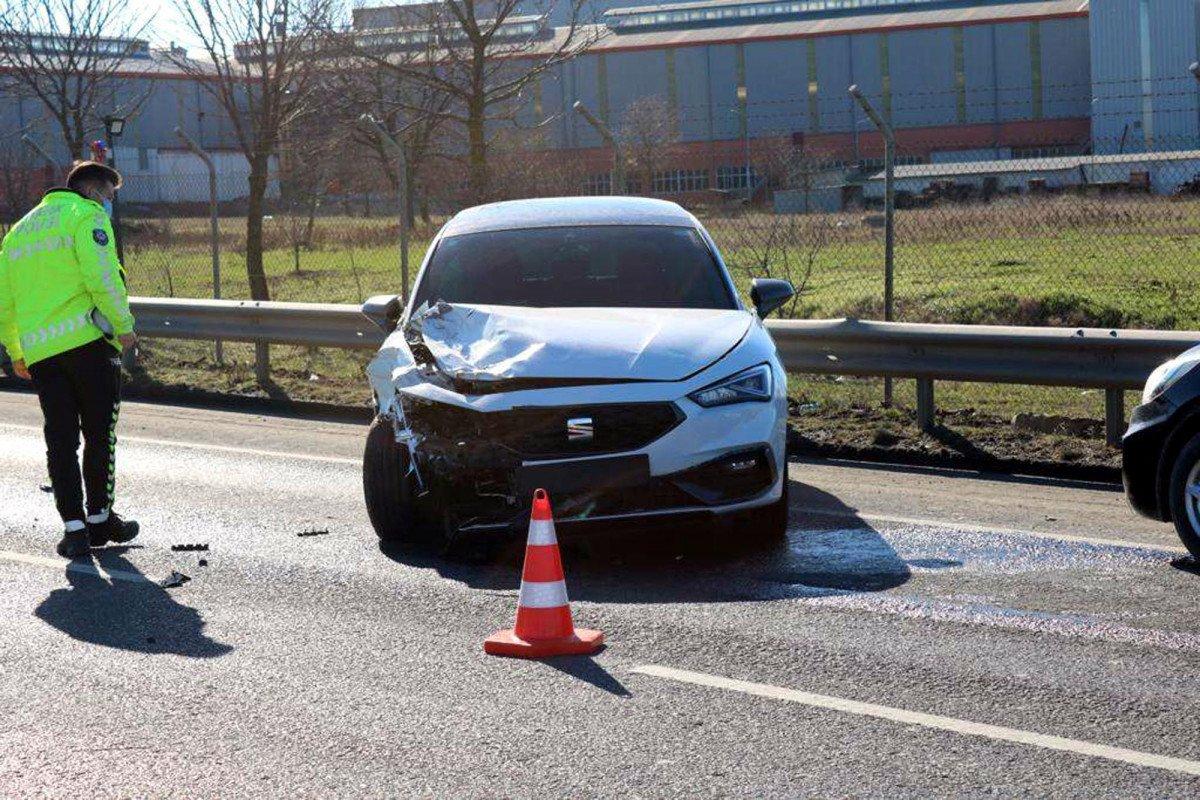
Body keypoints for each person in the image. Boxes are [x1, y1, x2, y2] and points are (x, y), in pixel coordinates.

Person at [0, 161, 139, 558]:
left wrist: (16, 352)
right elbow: (102, 276)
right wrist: (123, 324)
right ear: (94, 191)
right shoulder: (86, 215)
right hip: (89, 345)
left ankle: (75, 529)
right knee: (99, 434)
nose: (109, 204)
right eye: (110, 197)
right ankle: (101, 517)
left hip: (42, 354)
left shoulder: (19, 231)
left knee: (60, 440)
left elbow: (4, 302)